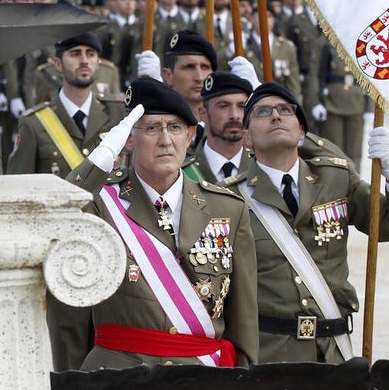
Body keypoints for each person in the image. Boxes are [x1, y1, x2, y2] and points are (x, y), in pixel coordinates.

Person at [50, 77, 258, 371]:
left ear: (189, 136)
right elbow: (59, 218)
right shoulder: (99, 203)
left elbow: (243, 320)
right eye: (151, 128)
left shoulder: (228, 208)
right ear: (129, 139)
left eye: (174, 128)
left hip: (205, 381)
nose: (165, 140)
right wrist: (100, 161)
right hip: (121, 380)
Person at [227, 82, 389, 363]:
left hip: (333, 352)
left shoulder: (336, 179)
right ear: (246, 138)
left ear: (302, 132)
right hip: (268, 356)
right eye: (262, 112)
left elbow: (384, 226)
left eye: (285, 110)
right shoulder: (228, 198)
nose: (276, 116)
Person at [8, 32, 129, 177]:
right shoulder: (34, 123)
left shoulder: (117, 113)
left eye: (90, 54)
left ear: (97, 63)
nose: (84, 61)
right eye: (75, 54)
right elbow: (20, 186)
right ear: (58, 64)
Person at [188, 71, 253, 183]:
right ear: (203, 114)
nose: (235, 115)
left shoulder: (263, 167)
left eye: (242, 106)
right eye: (223, 106)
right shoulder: (184, 173)